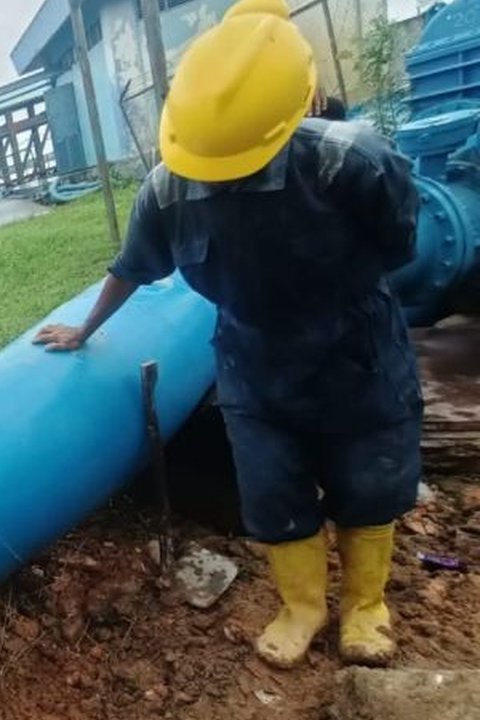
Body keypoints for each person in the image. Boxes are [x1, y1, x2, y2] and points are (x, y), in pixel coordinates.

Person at [35, 0, 421, 669]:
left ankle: (366, 607)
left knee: (371, 476)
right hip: (254, 361)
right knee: (272, 488)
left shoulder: (349, 162)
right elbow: (133, 268)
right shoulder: (168, 191)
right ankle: (301, 606)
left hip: (357, 353)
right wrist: (83, 329)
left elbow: (400, 245)